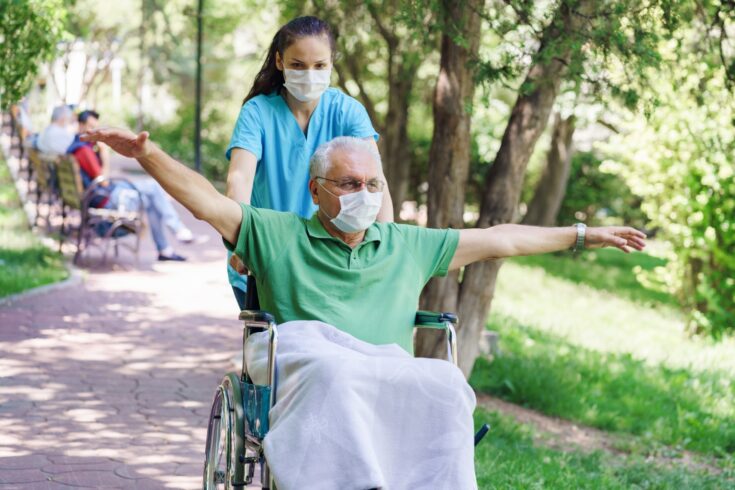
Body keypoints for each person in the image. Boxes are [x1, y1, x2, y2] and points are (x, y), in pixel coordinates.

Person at [81, 127, 647, 489]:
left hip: (383, 366)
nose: (365, 194)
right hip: (308, 363)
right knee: (332, 367)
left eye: (372, 183)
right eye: (350, 183)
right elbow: (205, 201)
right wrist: (147, 154)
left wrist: (585, 234)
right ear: (316, 191)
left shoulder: (408, 244)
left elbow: (503, 238)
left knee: (447, 385)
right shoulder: (275, 233)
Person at [224, 15, 394, 309]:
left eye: (320, 66)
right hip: (265, 256)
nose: (309, 74)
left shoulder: (347, 112)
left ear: (331, 63)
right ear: (280, 62)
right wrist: (242, 244)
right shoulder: (257, 112)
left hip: (330, 260)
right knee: (270, 352)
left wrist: (389, 247)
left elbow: (377, 182)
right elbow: (239, 180)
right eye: (297, 65)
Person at [68, 110, 197, 261]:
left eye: (95, 127)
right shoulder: (84, 151)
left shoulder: (76, 145)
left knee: (151, 194)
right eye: (90, 126)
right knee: (152, 189)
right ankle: (176, 230)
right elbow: (104, 181)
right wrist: (105, 155)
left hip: (98, 195)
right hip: (105, 199)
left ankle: (166, 248)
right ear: (81, 126)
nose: (93, 131)